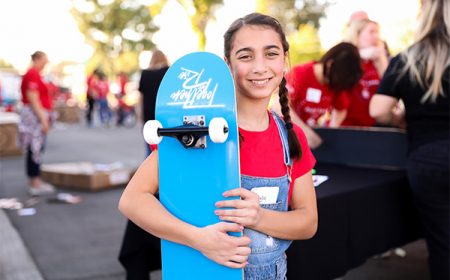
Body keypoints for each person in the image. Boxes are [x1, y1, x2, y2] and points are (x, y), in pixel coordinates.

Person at [119, 13, 318, 279]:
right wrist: (198, 238)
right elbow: (132, 200)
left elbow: (308, 222)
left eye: (271, 54)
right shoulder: (200, 131)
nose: (260, 67)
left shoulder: (290, 137)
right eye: (246, 56)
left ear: (284, 61)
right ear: (228, 65)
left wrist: (258, 217)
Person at [369, 0, 449, 279]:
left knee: (442, 244)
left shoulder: (408, 58)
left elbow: (378, 110)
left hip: (427, 158)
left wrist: (401, 116)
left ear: (423, 17)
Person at [118, 50, 169, 280]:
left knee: (151, 157)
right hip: (165, 121)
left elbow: (139, 99)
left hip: (150, 121)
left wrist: (141, 119)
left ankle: (155, 184)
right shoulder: (168, 73)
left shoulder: (145, 75)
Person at [272, 42, 362, 148]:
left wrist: (331, 130)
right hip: (282, 138)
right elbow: (278, 105)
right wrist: (305, 134)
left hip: (307, 143)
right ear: (330, 65)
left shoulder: (336, 84)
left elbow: (341, 109)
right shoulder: (300, 74)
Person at [18, 51, 55, 196]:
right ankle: (35, 181)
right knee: (35, 149)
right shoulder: (32, 74)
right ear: (38, 59)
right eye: (45, 60)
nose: (46, 63)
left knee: (36, 149)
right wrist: (44, 120)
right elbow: (33, 99)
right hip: (35, 117)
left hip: (36, 116)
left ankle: (35, 179)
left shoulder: (35, 74)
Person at [342, 18, 389, 127]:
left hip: (374, 124)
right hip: (348, 124)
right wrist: (359, 55)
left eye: (377, 32)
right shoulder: (345, 56)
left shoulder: (377, 60)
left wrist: (381, 58)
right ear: (357, 34)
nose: (376, 36)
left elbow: (389, 85)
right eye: (371, 32)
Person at [137, 49, 170, 155]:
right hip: (165, 113)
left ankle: (150, 167)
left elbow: (141, 96)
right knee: (166, 144)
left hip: (149, 113)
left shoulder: (145, 74)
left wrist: (140, 113)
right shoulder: (168, 71)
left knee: (150, 145)